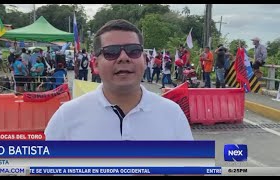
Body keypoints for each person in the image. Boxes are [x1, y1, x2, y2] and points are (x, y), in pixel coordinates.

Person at [45, 19, 193, 141]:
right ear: (95, 64)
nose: (124, 58)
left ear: (144, 58)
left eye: (133, 50)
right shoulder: (68, 115)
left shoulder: (172, 113)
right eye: (111, 52)